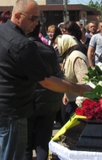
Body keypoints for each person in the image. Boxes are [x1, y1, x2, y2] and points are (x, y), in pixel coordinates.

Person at [0, 0, 91, 160]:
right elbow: (47, 81)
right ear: (17, 16)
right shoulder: (23, 45)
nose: (36, 23)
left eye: (39, 18)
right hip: (11, 112)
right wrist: (78, 88)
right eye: (32, 18)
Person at [24, 22, 63, 160]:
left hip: (26, 101)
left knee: (26, 145)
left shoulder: (20, 49)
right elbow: (59, 75)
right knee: (42, 143)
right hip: (48, 100)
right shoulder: (49, 50)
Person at [58, 34, 88, 123]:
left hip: (77, 101)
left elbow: (84, 80)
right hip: (71, 98)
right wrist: (65, 94)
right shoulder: (68, 56)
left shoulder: (76, 57)